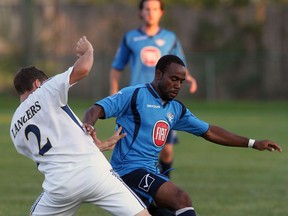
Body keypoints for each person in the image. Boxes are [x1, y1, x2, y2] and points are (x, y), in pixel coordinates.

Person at [82, 54, 282, 216]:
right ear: (158, 74)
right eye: (174, 79)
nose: (178, 85)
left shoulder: (176, 109)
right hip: (128, 171)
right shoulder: (134, 95)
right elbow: (96, 109)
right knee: (181, 199)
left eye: (182, 81)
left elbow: (210, 131)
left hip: (150, 172)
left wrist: (253, 143)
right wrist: (89, 127)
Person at [10, 36, 150, 216]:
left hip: (60, 187)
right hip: (95, 174)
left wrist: (97, 146)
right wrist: (89, 50)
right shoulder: (45, 90)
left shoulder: (14, 127)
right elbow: (83, 69)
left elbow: (54, 150)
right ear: (37, 83)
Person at [110, 0, 197, 179]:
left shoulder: (170, 38)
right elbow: (117, 67)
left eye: (155, 9)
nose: (151, 12)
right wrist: (114, 88)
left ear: (161, 13)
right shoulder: (130, 38)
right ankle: (130, 186)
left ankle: (163, 188)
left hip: (163, 101)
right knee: (133, 148)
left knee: (167, 150)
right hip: (138, 102)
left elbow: (180, 65)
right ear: (141, 12)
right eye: (147, 9)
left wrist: (189, 78)